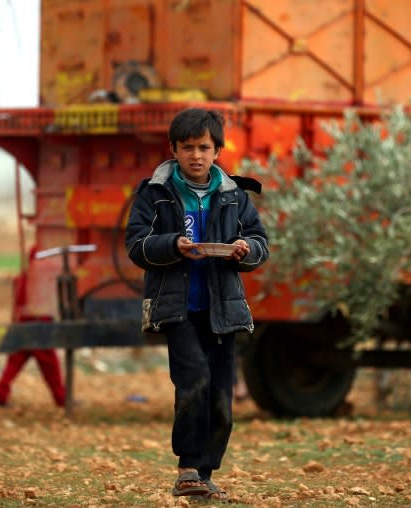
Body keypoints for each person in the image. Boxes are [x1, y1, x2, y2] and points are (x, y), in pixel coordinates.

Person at [125, 108, 269, 500]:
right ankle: (187, 466)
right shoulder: (154, 194)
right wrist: (173, 245)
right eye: (187, 147)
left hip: (223, 310)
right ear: (173, 149)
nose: (196, 155)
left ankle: (204, 473)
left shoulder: (235, 195)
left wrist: (244, 250)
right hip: (177, 309)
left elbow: (260, 243)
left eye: (204, 147)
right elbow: (136, 245)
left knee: (223, 395)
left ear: (218, 150)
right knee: (194, 380)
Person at [0, 262, 66, 408]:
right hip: (38, 325)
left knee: (14, 363)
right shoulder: (40, 280)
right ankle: (61, 398)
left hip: (22, 324)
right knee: (50, 365)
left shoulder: (22, 278)